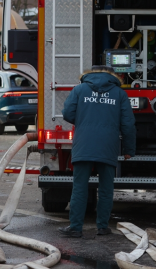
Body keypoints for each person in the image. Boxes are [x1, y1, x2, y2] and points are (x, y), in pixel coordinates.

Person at [58, 66, 136, 238]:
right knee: (106, 188)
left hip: (83, 144)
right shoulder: (119, 93)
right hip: (108, 146)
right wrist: (129, 150)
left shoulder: (79, 90)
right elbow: (128, 124)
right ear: (112, 76)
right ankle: (102, 227)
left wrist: (83, 119)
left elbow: (67, 113)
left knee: (79, 187)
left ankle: (76, 228)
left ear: (89, 74)